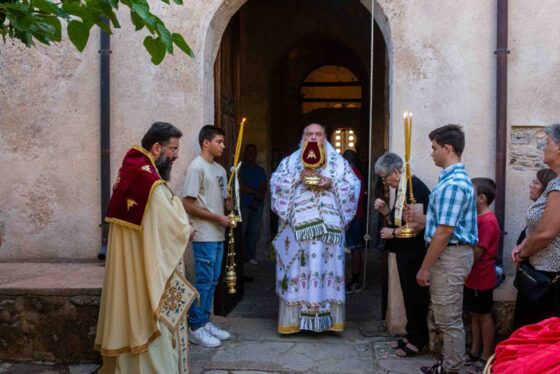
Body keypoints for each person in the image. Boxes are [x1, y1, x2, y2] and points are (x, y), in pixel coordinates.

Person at [95, 122, 194, 373]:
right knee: (151, 322)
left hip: (132, 268)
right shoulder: (151, 184)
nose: (176, 155)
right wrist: (187, 229)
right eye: (173, 149)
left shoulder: (131, 173)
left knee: (131, 316)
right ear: (157, 147)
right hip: (147, 272)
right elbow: (171, 227)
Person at [270, 123, 360, 334]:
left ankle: (327, 322)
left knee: (325, 270)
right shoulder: (290, 162)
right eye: (308, 133)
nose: (313, 137)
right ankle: (294, 322)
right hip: (297, 232)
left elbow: (354, 186)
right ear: (303, 137)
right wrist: (295, 178)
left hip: (327, 236)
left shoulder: (338, 163)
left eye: (318, 134)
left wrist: (332, 183)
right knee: (296, 272)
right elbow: (275, 184)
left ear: (325, 137)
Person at [411, 124, 478, 374]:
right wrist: (419, 219)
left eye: (434, 148)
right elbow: (443, 222)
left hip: (449, 255)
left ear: (447, 148)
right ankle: (448, 364)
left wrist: (424, 268)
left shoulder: (453, 184)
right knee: (446, 315)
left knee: (449, 319)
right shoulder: (451, 180)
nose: (432, 153)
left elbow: (445, 231)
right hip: (449, 253)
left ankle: (451, 368)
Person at [373, 152, 430, 358]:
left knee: (416, 296)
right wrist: (385, 212)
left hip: (415, 251)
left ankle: (418, 339)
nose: (384, 181)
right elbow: (400, 219)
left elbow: (415, 226)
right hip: (405, 251)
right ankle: (411, 333)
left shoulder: (415, 188)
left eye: (384, 176)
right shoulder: (403, 188)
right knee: (408, 293)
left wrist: (392, 233)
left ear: (396, 172)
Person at [182, 125, 232, 348]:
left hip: (218, 233)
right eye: (219, 141)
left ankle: (204, 321)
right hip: (204, 234)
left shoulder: (220, 170)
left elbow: (218, 200)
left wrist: (227, 205)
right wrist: (216, 218)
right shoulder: (196, 167)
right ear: (206, 143)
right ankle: (194, 326)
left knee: (212, 281)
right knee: (203, 281)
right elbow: (188, 204)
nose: (222, 146)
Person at [511, 124, 560, 329]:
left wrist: (523, 252)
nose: (543, 147)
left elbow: (546, 232)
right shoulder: (554, 183)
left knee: (534, 341)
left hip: (547, 280)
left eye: (547, 142)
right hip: (542, 275)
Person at [463, 178, 500, 374]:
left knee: (484, 316)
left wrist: (462, 265)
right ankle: (474, 352)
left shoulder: (488, 221)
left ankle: (486, 355)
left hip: (481, 276)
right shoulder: (478, 218)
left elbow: (479, 251)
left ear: (481, 198)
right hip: (472, 276)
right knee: (474, 314)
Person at [238, 144, 267, 265]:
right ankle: (240, 258)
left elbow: (264, 187)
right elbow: (241, 187)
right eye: (248, 151)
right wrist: (255, 193)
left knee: (254, 232)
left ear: (255, 154)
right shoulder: (241, 168)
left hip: (258, 204)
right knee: (242, 231)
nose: (251, 154)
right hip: (244, 205)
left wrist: (255, 198)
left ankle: (249, 256)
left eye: (253, 152)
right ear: (245, 153)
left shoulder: (260, 170)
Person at [342, 149, 366, 294]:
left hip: (353, 216)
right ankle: (352, 278)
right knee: (353, 248)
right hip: (354, 215)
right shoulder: (355, 172)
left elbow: (352, 198)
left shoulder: (352, 174)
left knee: (354, 248)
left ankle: (355, 280)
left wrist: (347, 218)